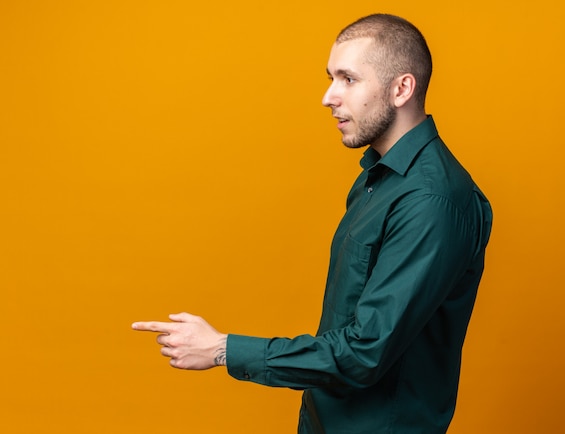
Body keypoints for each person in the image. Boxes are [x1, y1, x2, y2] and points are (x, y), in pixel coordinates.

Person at [132, 13, 493, 433]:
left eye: (348, 79)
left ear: (401, 88)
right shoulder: (377, 179)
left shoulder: (432, 201)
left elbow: (364, 352)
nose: (329, 96)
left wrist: (222, 349)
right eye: (331, 77)